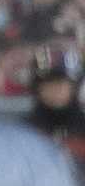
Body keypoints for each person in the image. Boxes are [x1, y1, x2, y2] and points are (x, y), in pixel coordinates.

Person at [25, 47, 85, 179]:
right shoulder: (25, 129)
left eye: (61, 84)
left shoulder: (82, 125)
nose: (55, 90)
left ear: (74, 87)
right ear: (37, 88)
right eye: (48, 84)